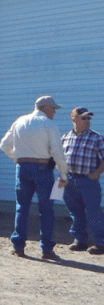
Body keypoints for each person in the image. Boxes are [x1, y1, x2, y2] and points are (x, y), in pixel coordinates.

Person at [0, 95, 70, 259]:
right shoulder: (49, 124)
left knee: (22, 207)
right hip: (42, 168)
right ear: (45, 108)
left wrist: (16, 159)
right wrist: (63, 173)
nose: (54, 112)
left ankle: (18, 246)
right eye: (53, 108)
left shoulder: (19, 121)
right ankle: (46, 249)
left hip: (22, 168)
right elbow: (57, 151)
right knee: (46, 209)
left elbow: (4, 145)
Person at [61, 106, 104, 255]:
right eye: (83, 117)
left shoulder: (97, 138)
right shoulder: (65, 137)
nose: (87, 121)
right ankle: (80, 240)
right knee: (75, 212)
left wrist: (97, 172)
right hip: (70, 180)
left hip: (88, 182)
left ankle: (100, 242)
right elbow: (59, 158)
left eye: (88, 118)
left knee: (94, 212)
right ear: (73, 118)